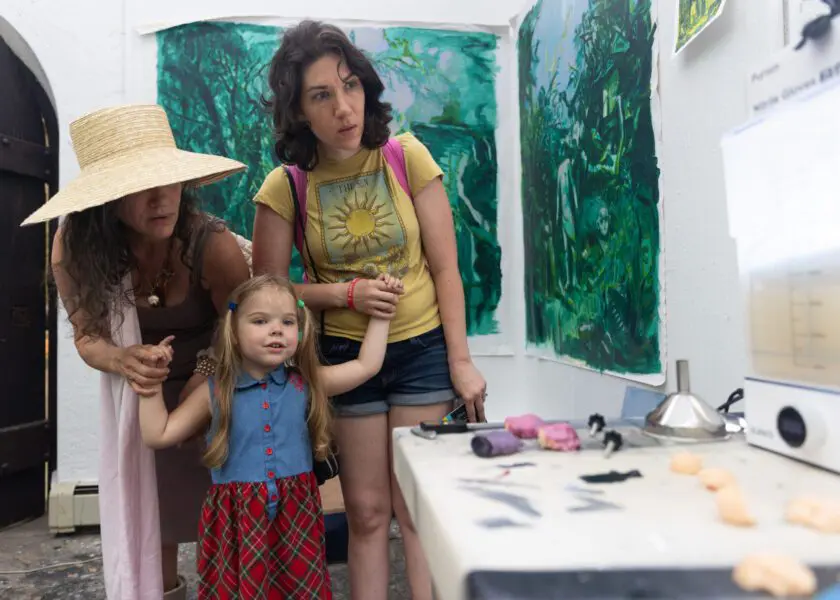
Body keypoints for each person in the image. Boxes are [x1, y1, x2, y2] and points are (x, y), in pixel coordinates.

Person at [251, 20, 488, 600]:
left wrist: (460, 359)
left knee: (416, 508)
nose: (344, 107)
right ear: (299, 110)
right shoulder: (286, 186)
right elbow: (266, 296)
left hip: (424, 350)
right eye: (322, 96)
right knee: (365, 512)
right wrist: (343, 295)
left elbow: (446, 269)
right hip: (344, 356)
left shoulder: (406, 156)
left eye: (351, 86)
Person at [21, 104, 251, 599]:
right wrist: (124, 361)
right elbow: (88, 338)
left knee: (230, 515)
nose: (161, 198)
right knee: (155, 519)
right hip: (143, 398)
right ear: (105, 201)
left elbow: (240, 329)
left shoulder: (212, 245)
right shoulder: (74, 247)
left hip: (223, 381)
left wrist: (200, 384)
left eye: (168, 181)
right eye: (139, 186)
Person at [137, 273, 402, 599]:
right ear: (233, 331)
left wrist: (382, 311)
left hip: (296, 517)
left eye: (288, 322)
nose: (277, 329)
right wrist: (149, 385)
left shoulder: (305, 383)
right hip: (238, 523)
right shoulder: (215, 392)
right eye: (260, 321)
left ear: (300, 331)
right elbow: (158, 434)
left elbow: (366, 366)